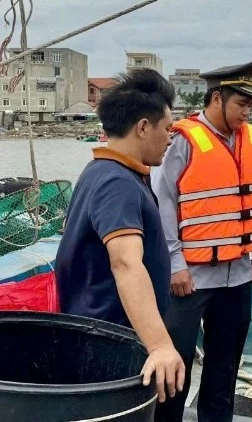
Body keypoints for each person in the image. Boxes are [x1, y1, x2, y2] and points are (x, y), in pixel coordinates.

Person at [54, 68, 184, 404]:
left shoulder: (100, 172)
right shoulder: (118, 184)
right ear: (143, 127)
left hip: (94, 333)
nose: (170, 139)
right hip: (108, 341)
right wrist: (159, 345)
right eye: (167, 129)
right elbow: (125, 263)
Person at [150, 60, 252, 422]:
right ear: (217, 98)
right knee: (176, 364)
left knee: (225, 367)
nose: (246, 113)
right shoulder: (182, 141)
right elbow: (162, 203)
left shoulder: (250, 139)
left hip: (237, 276)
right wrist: (175, 264)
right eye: (240, 104)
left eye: (250, 105)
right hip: (191, 279)